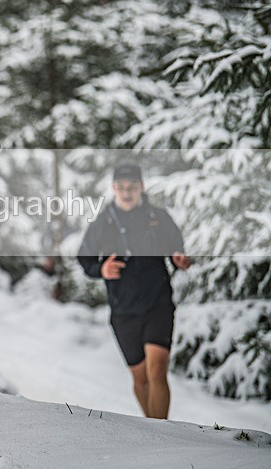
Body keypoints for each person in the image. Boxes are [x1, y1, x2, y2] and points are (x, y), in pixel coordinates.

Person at [77, 163, 191, 419]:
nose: (127, 192)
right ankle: (151, 425)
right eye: (122, 188)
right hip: (123, 310)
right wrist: (101, 269)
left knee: (158, 371)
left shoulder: (157, 217)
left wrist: (178, 258)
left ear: (142, 187)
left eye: (132, 187)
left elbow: (176, 246)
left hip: (158, 303)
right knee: (141, 379)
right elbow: (84, 259)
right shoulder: (103, 222)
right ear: (114, 188)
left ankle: (161, 431)